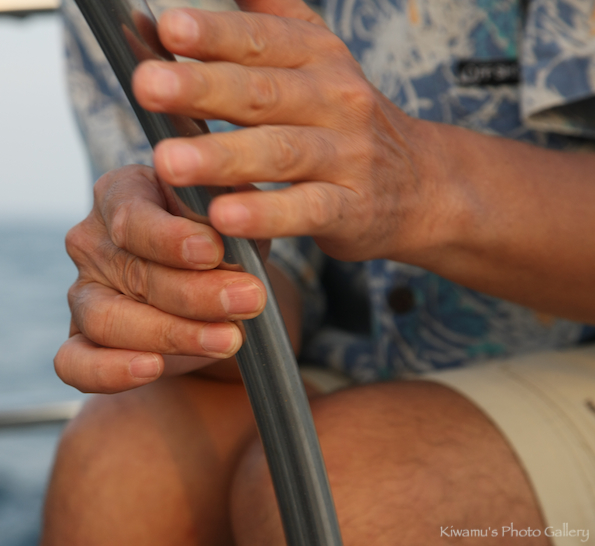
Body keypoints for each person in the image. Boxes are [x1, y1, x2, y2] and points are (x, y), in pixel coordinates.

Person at [42, 0, 595, 544]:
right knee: (120, 464)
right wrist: (190, 288)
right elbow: (271, 279)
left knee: (363, 491)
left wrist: (427, 185)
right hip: (353, 359)